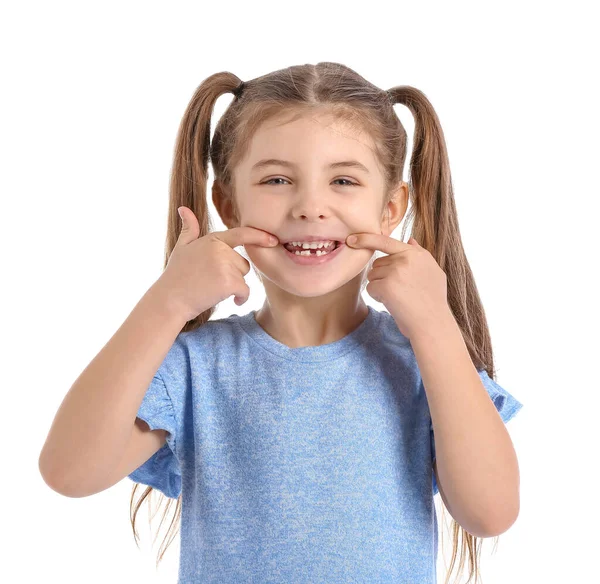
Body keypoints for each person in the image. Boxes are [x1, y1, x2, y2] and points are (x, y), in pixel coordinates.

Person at [38, 62, 523, 584]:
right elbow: (69, 472)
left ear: (390, 209)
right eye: (276, 179)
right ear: (228, 203)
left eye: (343, 180)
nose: (311, 207)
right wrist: (166, 302)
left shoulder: (424, 362)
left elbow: (490, 513)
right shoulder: (197, 368)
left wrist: (435, 327)